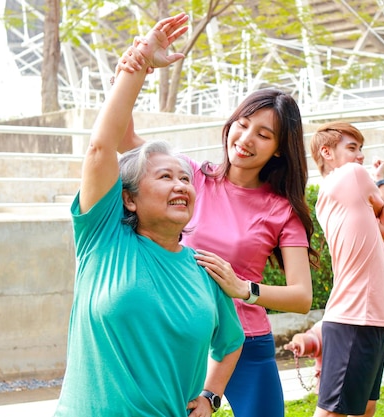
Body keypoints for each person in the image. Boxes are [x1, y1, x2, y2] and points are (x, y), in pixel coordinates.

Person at [115, 28, 319, 417]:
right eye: (243, 124)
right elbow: (124, 138)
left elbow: (301, 296)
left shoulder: (281, 209)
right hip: (180, 329)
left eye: (264, 135)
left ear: (278, 151)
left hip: (246, 341)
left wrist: (244, 288)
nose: (246, 139)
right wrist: (137, 68)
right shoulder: (189, 176)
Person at [54, 13, 244, 417]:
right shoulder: (103, 239)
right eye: (165, 177)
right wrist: (138, 65)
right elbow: (101, 149)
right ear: (129, 199)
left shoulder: (204, 269)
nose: (181, 186)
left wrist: (210, 398)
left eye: (185, 179)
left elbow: (230, 342)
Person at [308, 122, 384, 417]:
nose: (360, 156)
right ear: (327, 152)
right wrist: (382, 180)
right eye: (351, 148)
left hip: (366, 317)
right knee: (332, 412)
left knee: (365, 408)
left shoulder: (338, 197)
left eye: (360, 149)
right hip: (355, 316)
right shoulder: (351, 175)